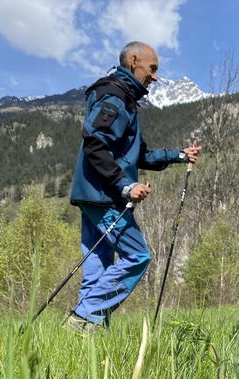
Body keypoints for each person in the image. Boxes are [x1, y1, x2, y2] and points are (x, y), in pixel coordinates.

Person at [66, 41, 200, 334]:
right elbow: (95, 144)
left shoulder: (123, 98)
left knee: (98, 268)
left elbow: (138, 155)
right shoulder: (115, 96)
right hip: (105, 196)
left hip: (92, 195)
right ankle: (83, 316)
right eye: (152, 68)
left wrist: (179, 155)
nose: (155, 76)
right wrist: (125, 186)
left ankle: (83, 335)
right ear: (134, 60)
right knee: (137, 256)